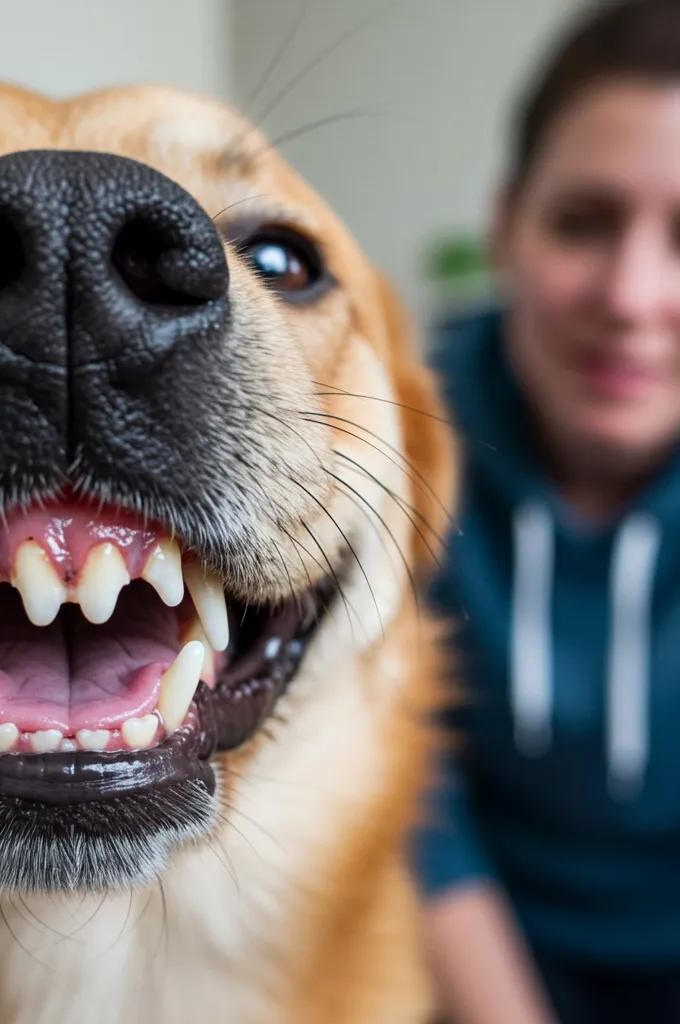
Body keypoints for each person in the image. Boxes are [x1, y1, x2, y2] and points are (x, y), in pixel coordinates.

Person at [415, 2, 680, 1021]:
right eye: (584, 222)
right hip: (466, 965)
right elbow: (409, 802)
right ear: (505, 227)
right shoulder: (396, 440)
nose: (631, 294)